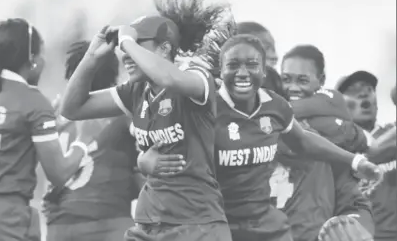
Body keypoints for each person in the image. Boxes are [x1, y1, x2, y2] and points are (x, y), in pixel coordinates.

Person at [138, 34, 381, 241]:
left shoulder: (318, 134)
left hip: (274, 231)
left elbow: (355, 205)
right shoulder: (206, 118)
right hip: (220, 228)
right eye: (287, 80)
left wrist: (355, 165)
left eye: (252, 66)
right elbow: (173, 164)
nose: (243, 75)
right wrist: (143, 162)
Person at [59, 0, 231, 241]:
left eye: (139, 43)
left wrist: (127, 42)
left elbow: (168, 79)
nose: (126, 54)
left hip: (196, 225)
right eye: (125, 47)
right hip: (148, 224)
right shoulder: (135, 92)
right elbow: (71, 108)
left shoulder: (195, 78)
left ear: (164, 49)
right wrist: (92, 57)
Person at [0, 18, 91, 241]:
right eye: (41, 54)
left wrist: (47, 126)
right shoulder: (32, 99)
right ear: (31, 59)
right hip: (1, 218)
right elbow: (59, 173)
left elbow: (7, 135)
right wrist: (84, 141)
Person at [44, 40, 144, 241]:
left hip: (59, 227)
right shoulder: (122, 114)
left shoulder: (55, 117)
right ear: (113, 76)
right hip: (107, 224)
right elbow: (143, 178)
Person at [272, 45, 375, 241]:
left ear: (321, 81)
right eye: (286, 79)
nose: (292, 87)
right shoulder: (246, 135)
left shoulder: (331, 139)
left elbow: (355, 206)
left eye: (302, 80)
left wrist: (354, 229)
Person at [337, 70, 397, 241]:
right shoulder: (337, 146)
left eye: (369, 89)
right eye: (353, 91)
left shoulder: (390, 132)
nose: (364, 93)